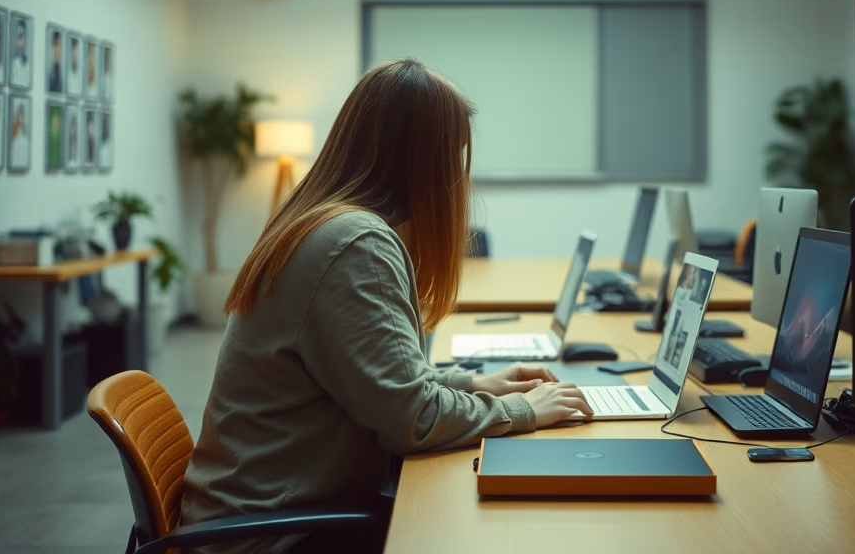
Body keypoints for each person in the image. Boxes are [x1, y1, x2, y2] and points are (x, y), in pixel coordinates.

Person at [181, 59, 592, 554]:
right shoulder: (355, 243)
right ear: (424, 161)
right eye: (454, 158)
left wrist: (474, 384)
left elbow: (380, 379)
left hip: (277, 511)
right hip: (277, 535)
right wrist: (521, 409)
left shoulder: (326, 223)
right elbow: (412, 420)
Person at [11, 19, 30, 87]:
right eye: (17, 37)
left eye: (21, 37)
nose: (18, 41)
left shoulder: (28, 65)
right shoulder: (13, 64)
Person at [10, 101, 29, 169]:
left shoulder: (22, 120)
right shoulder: (17, 118)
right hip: (17, 137)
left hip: (21, 138)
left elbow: (23, 127)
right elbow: (16, 126)